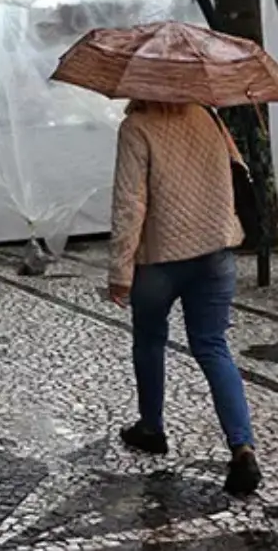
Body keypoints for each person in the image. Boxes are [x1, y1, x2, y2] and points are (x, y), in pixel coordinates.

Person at [109, 98, 260, 496]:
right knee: (213, 346)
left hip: (160, 258)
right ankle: (242, 447)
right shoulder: (207, 116)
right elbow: (235, 172)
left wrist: (120, 271)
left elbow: (130, 204)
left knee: (149, 341)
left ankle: (152, 428)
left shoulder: (137, 127)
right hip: (214, 252)